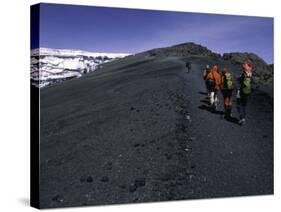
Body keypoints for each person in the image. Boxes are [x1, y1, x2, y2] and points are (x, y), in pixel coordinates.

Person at [237, 60, 253, 125]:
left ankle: (241, 118)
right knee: (244, 105)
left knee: (239, 105)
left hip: (241, 92)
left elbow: (239, 81)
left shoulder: (244, 74)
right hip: (247, 93)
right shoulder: (250, 73)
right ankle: (244, 118)